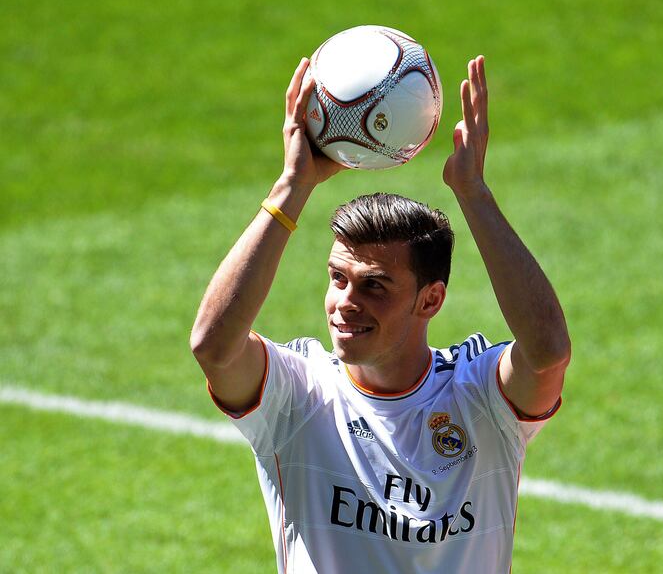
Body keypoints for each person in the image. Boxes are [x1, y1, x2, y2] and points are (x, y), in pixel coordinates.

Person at [190, 55, 571, 573]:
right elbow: (213, 346)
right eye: (338, 278)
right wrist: (292, 187)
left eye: (375, 286)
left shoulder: (479, 398)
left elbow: (547, 354)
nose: (347, 301)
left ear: (430, 300)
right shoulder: (299, 395)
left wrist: (474, 194)